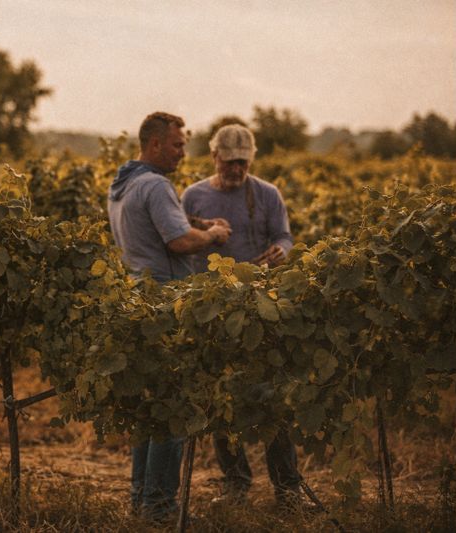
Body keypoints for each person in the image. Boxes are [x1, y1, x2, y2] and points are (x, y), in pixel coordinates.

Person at [107, 112, 232, 521]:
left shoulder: (124, 183)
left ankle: (141, 499)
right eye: (178, 144)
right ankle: (160, 508)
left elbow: (164, 223)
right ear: (156, 144)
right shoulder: (157, 184)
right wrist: (212, 236)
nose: (183, 152)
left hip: (137, 301)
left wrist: (197, 222)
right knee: (174, 407)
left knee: (149, 409)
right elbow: (178, 241)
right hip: (166, 303)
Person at [181, 123, 305, 510]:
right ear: (214, 157)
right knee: (222, 400)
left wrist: (281, 251)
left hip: (262, 304)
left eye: (243, 162)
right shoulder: (193, 196)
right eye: (229, 161)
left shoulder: (268, 194)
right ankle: (236, 483)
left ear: (250, 159)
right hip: (214, 307)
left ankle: (287, 488)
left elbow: (284, 236)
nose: (236, 169)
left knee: (274, 398)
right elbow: (179, 240)